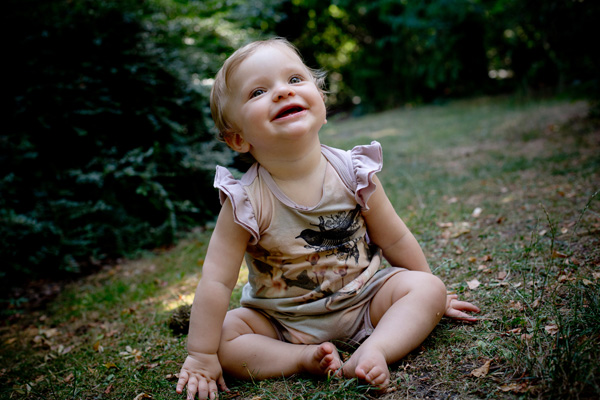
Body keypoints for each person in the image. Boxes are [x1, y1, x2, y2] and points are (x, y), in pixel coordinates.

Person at [176, 37, 479, 400]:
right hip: (282, 322)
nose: (281, 93)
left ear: (320, 99)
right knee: (224, 338)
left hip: (366, 301)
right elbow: (216, 282)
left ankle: (375, 349)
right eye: (258, 91)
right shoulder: (245, 201)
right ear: (238, 138)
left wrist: (435, 298)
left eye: (294, 80)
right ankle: (303, 359)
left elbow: (394, 239)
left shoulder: (353, 171)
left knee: (427, 288)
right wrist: (200, 355)